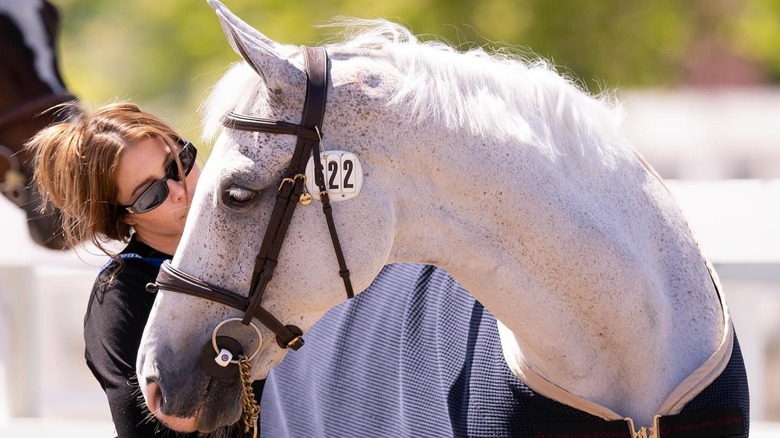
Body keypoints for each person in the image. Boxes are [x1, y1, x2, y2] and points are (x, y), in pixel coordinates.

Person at [27, 101, 252, 437]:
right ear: (124, 215)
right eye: (151, 194)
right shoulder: (120, 300)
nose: (179, 191)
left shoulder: (261, 239)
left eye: (180, 164)